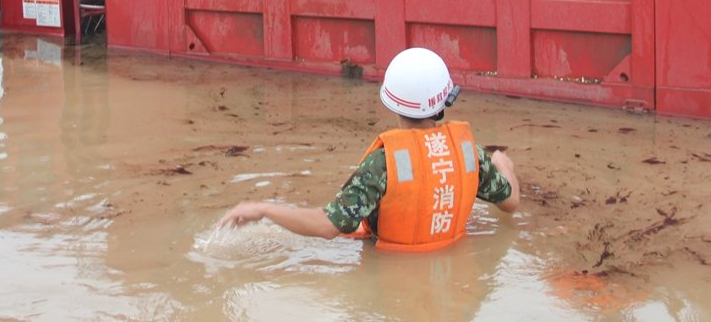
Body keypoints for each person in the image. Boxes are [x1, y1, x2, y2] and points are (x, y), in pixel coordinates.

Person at [218, 47, 520, 251]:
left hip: (390, 275)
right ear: (446, 100)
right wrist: (503, 164)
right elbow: (511, 203)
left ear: (391, 103)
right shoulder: (469, 153)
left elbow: (328, 226)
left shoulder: (383, 163)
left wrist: (263, 208)